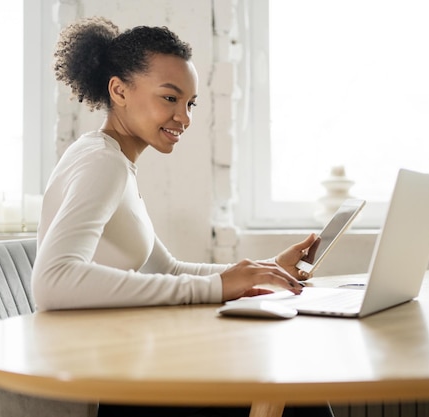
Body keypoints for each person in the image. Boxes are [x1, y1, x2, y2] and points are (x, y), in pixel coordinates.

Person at [32, 16, 332, 417]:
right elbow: (53, 282)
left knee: (289, 378)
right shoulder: (103, 165)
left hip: (121, 361)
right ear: (119, 90)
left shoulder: (110, 159)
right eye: (169, 99)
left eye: (189, 104)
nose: (184, 118)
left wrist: (262, 270)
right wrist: (215, 287)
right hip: (105, 382)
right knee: (292, 385)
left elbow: (167, 269)